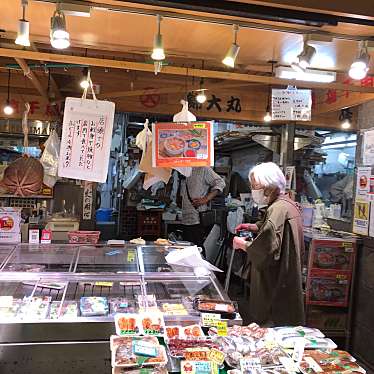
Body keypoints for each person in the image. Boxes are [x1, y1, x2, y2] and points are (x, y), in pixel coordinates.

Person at [233, 162, 305, 326]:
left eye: (256, 186)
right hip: (287, 279)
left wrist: (242, 244)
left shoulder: (277, 210)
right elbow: (276, 230)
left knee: (272, 325)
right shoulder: (287, 204)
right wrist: (255, 226)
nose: (253, 190)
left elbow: (265, 251)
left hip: (275, 283)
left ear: (270, 187)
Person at [181, 167, 225, 250]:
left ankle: (201, 263)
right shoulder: (184, 170)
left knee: (197, 249)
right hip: (185, 217)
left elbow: (220, 182)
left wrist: (206, 199)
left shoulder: (203, 169)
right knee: (187, 250)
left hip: (197, 217)